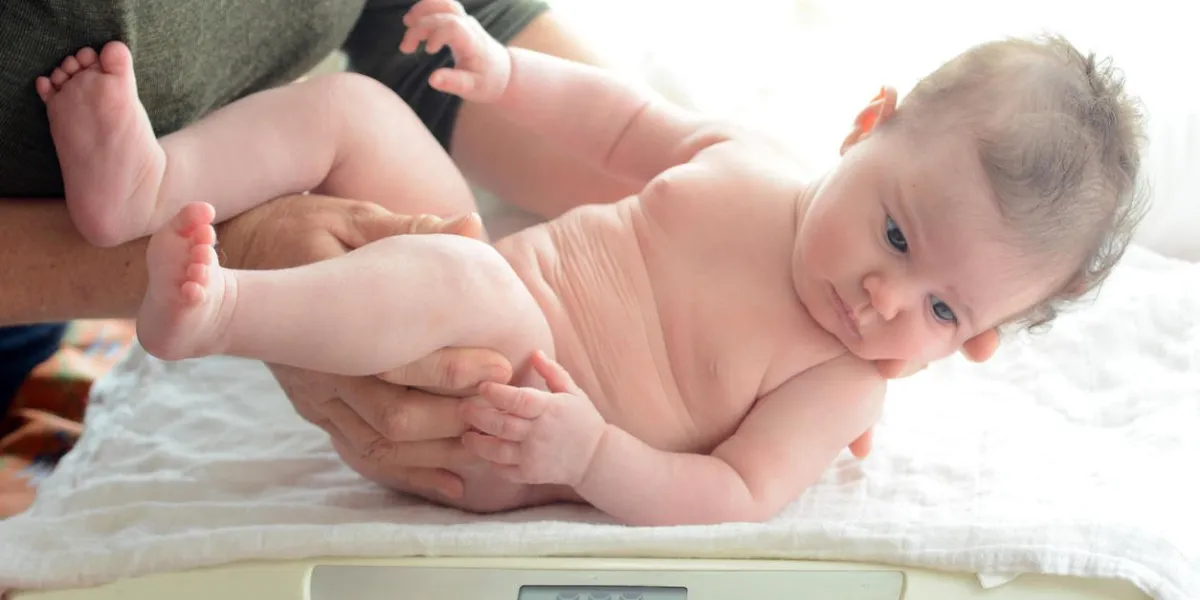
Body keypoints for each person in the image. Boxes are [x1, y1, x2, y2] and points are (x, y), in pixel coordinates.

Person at [37, 0, 1144, 525]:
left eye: (943, 310)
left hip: (504, 423)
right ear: (864, 126)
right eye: (896, 236)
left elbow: (737, 492)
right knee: (359, 109)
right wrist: (506, 79)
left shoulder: (840, 377)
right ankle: (150, 182)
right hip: (484, 286)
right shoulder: (750, 162)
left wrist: (594, 451)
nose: (883, 299)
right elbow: (622, 129)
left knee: (469, 281)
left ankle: (214, 310)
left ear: (980, 339)